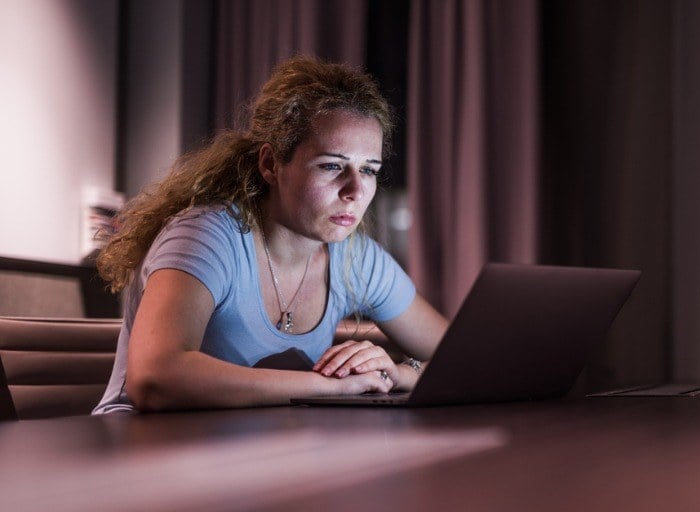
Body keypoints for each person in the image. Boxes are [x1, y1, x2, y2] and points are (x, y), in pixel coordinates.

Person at [93, 56, 448, 413]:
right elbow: (155, 379)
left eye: (369, 170)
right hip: (143, 447)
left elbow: (460, 358)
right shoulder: (207, 236)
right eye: (331, 166)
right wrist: (329, 387)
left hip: (263, 452)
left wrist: (399, 374)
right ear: (270, 164)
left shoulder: (356, 257)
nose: (355, 190)